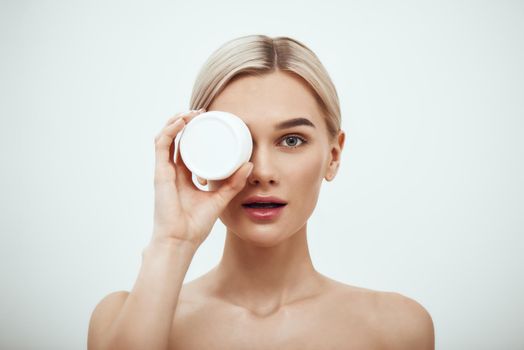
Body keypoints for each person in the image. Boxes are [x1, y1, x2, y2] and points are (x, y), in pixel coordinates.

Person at [87, 34, 435, 350]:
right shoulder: (121, 322)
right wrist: (172, 242)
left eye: (292, 140)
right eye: (240, 142)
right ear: (199, 149)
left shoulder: (396, 329)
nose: (263, 172)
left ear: (333, 155)